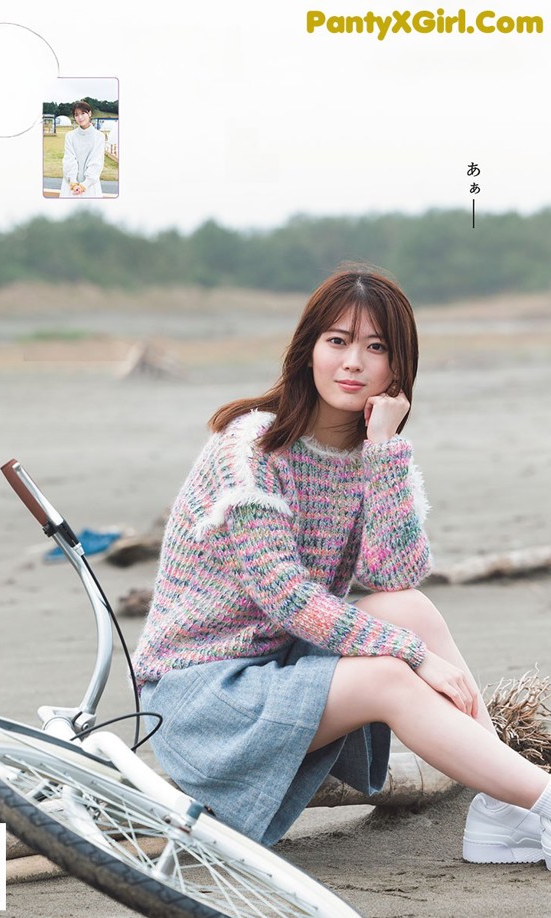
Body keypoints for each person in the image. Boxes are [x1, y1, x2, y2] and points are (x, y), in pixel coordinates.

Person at [132, 268, 551, 863]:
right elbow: (288, 598)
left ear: (397, 368)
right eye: (337, 341)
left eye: (376, 347)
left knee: (407, 608)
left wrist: (383, 450)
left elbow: (393, 576)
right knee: (389, 673)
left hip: (279, 669)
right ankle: (542, 800)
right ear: (308, 349)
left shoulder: (368, 454)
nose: (353, 362)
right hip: (202, 697)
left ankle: (504, 812)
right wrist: (413, 655)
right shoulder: (249, 449)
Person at [59, 101, 105, 198]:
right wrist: (73, 183)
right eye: (76, 115)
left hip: (90, 188)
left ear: (90, 113)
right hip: (71, 187)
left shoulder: (99, 136)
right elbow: (69, 159)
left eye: (83, 113)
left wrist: (85, 185)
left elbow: (96, 162)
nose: (80, 117)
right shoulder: (70, 136)